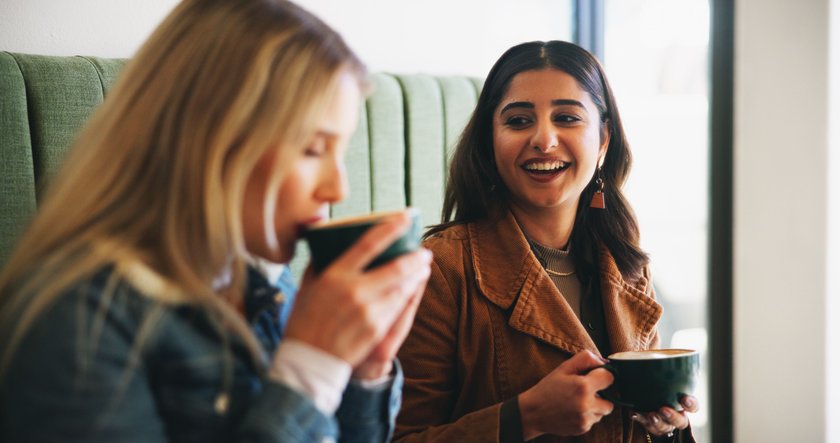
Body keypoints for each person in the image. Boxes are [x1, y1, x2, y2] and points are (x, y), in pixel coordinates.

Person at [0, 0, 432, 441]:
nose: (338, 189)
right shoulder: (79, 321)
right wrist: (310, 368)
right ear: (208, 140)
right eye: (313, 149)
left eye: (341, 151)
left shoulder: (265, 285)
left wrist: (363, 372)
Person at [394, 40, 697, 443]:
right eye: (518, 121)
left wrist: (667, 428)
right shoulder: (440, 271)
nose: (544, 139)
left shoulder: (627, 265)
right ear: (490, 141)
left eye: (567, 118)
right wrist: (526, 417)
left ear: (603, 140)